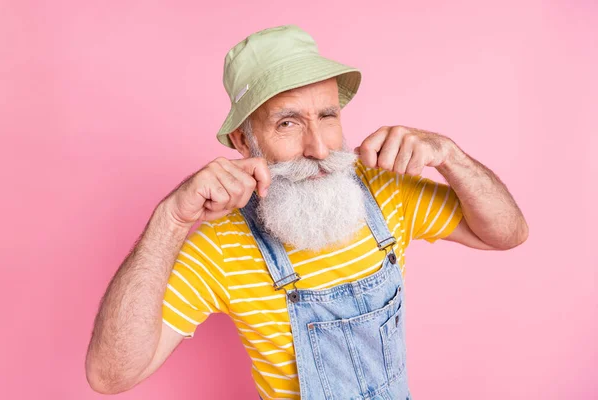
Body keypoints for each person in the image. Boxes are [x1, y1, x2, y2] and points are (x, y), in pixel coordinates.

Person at [85, 25, 528, 399]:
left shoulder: (388, 192)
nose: (318, 148)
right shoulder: (219, 250)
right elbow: (111, 376)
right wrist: (171, 219)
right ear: (243, 142)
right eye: (288, 123)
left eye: (328, 116)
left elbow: (507, 233)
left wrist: (449, 155)